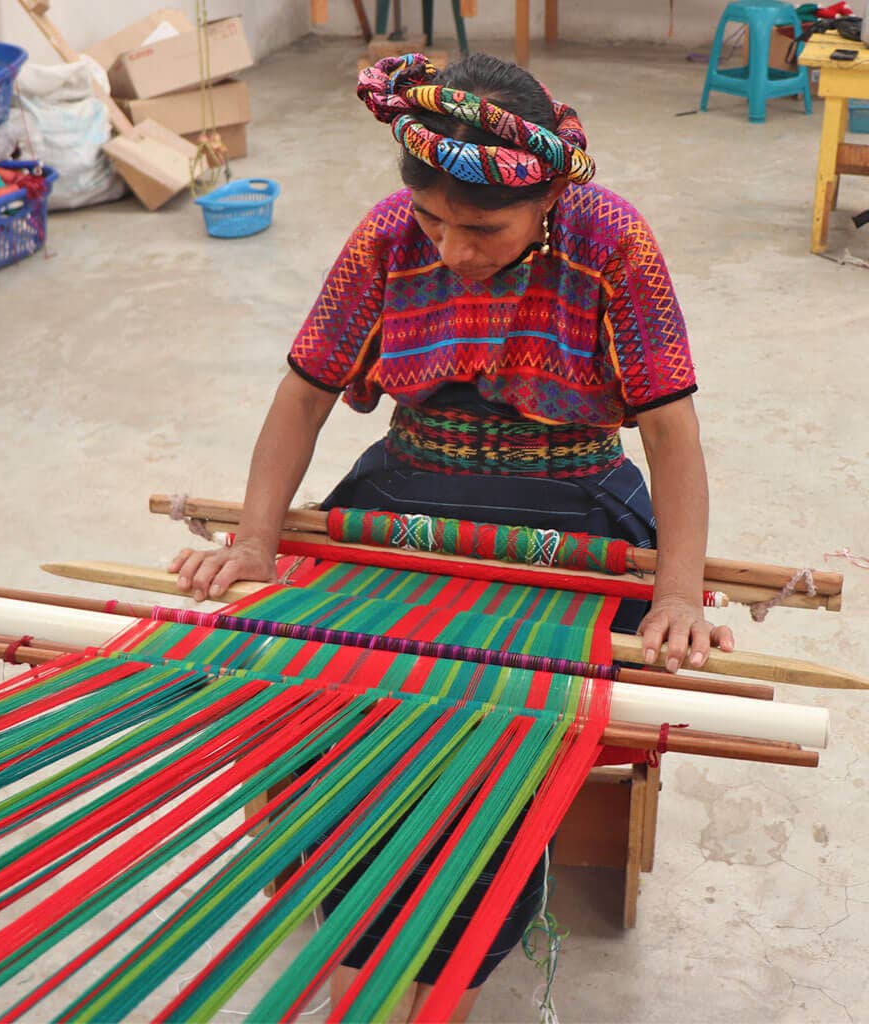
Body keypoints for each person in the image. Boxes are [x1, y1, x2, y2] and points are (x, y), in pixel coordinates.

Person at [171, 52, 735, 1022]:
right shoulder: (391, 236)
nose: (452, 248)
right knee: (318, 680)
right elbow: (305, 391)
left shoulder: (610, 240)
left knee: (492, 722)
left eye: (482, 229)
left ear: (550, 194)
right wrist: (258, 543)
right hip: (408, 493)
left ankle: (438, 957)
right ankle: (350, 902)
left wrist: (677, 592)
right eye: (434, 221)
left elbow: (669, 430)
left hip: (573, 505)